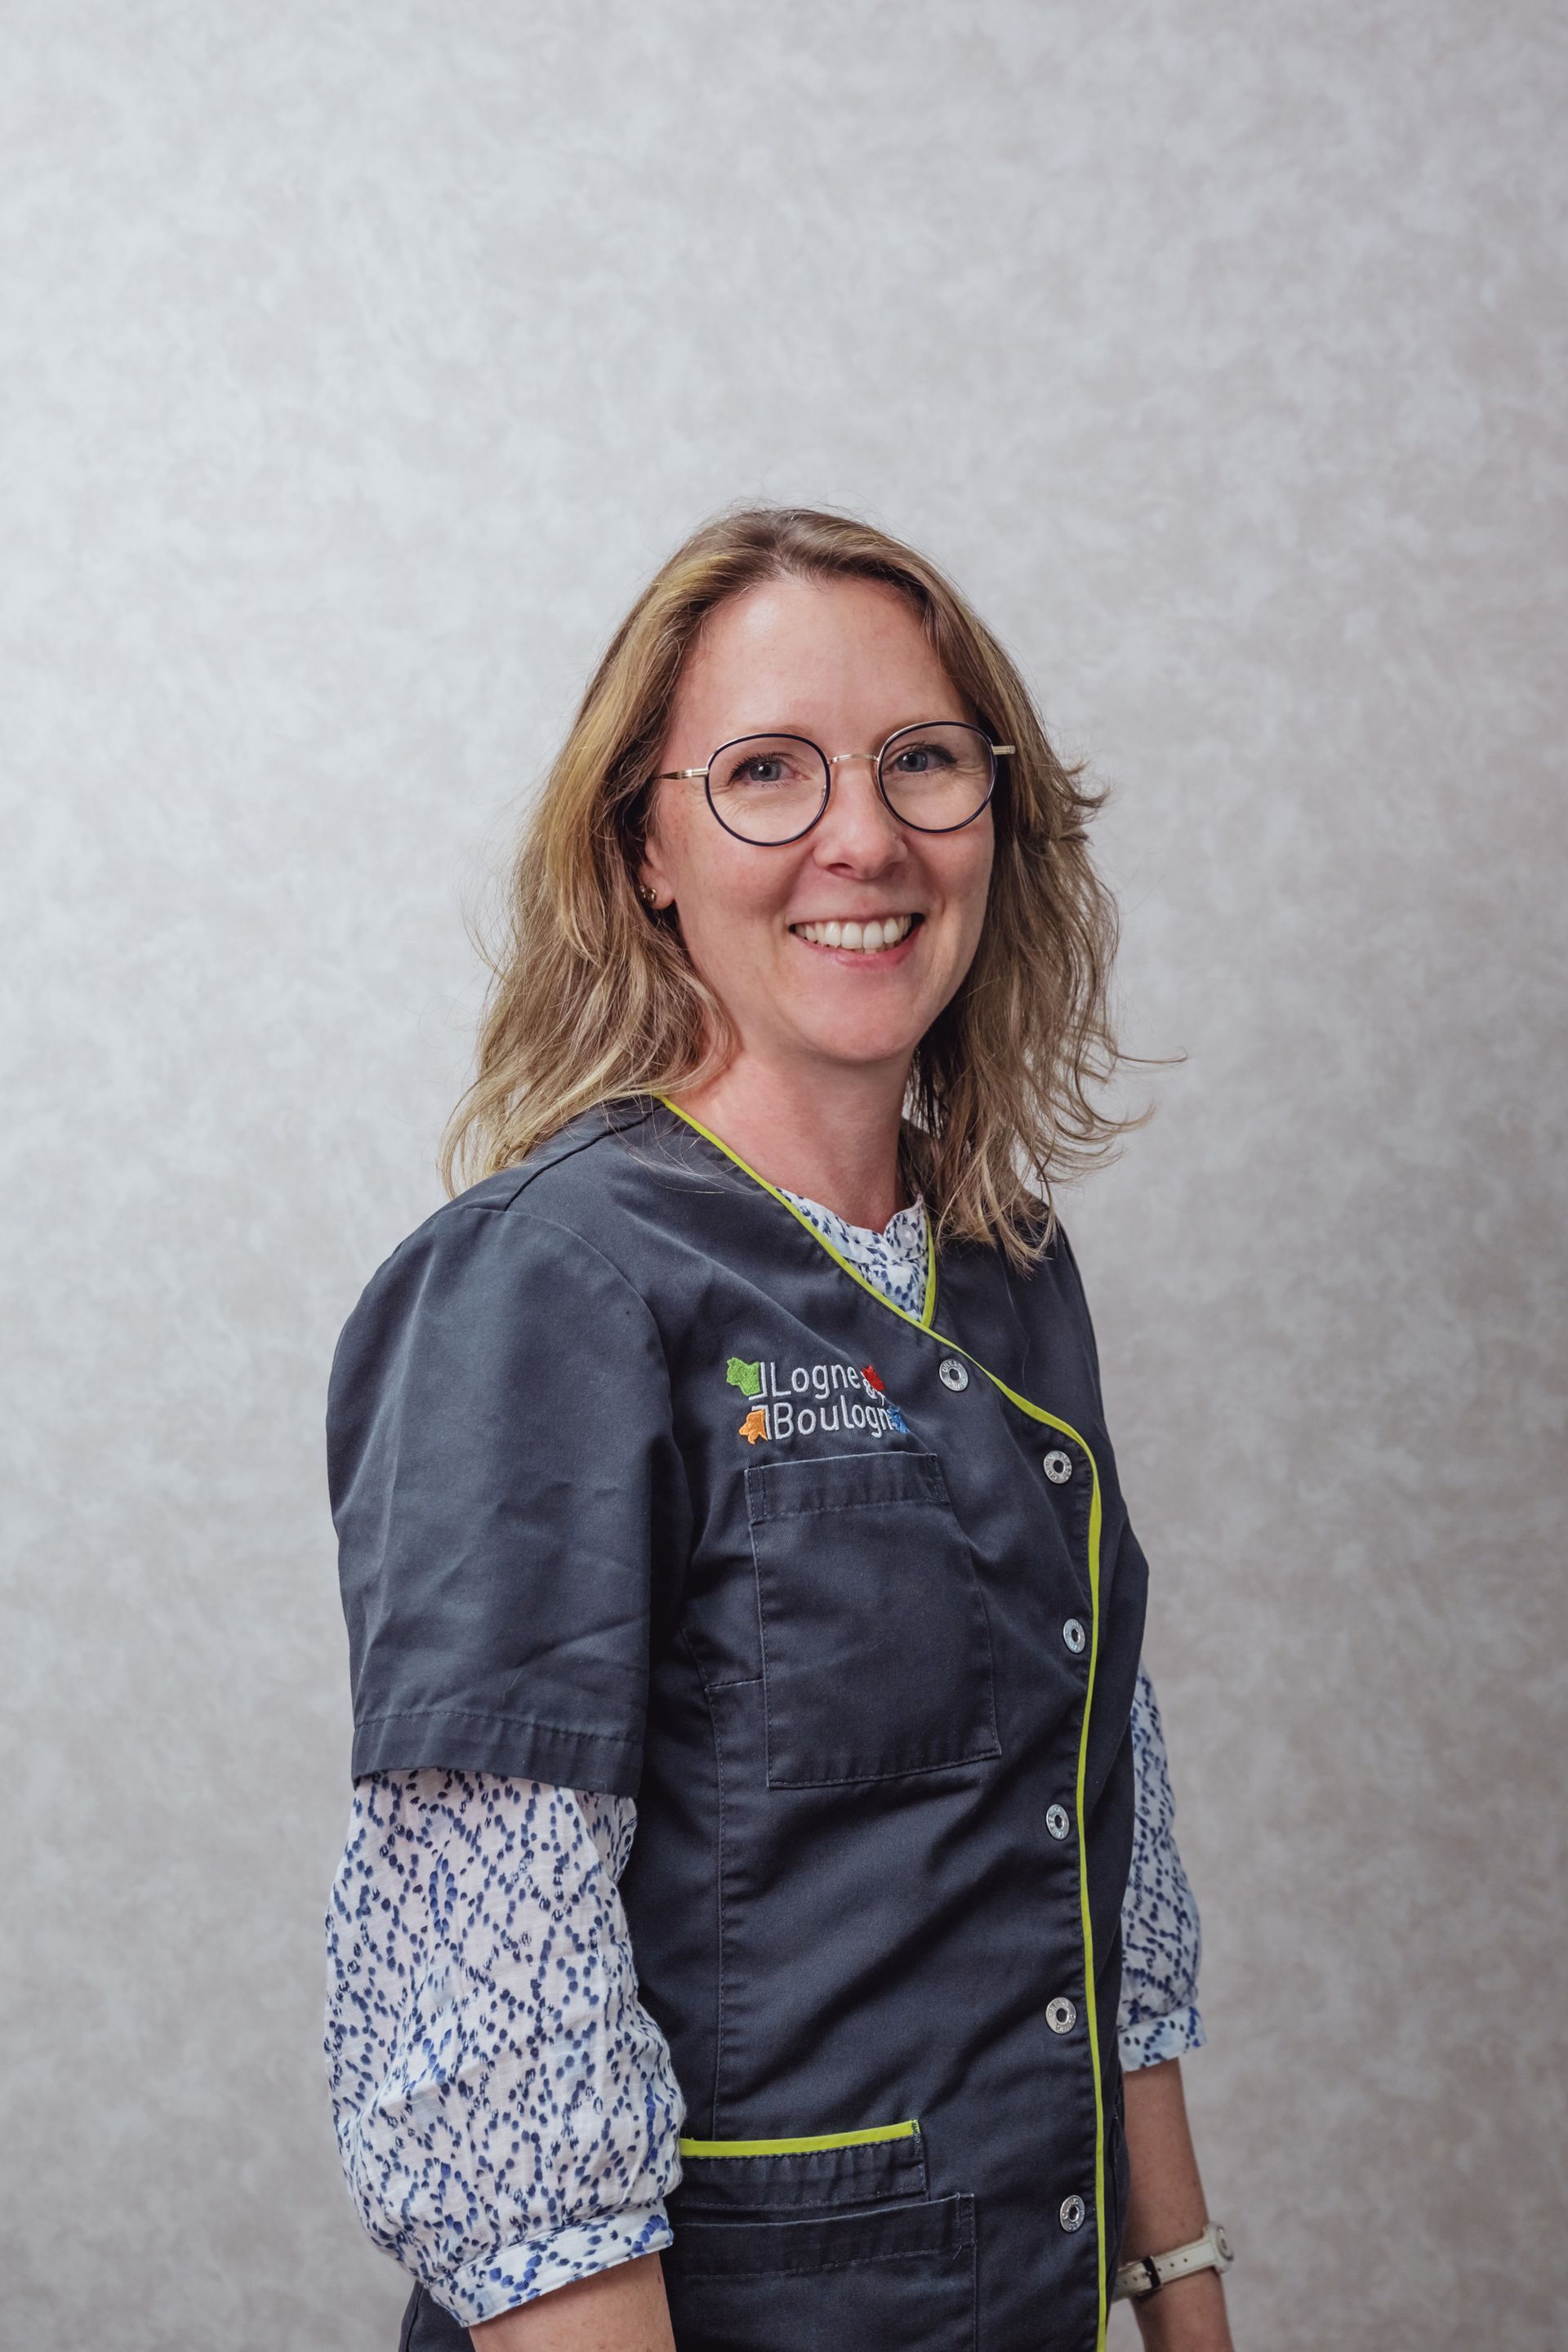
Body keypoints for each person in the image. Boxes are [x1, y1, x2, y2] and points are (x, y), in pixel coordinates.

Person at [323, 507, 1236, 2352]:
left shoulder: (1003, 1266)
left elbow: (1100, 1837)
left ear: (998, 815)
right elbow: (492, 2011)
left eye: (922, 761)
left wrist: (1188, 2299)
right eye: (763, 773)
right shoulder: (545, 1290)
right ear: (644, 850)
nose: (865, 838)